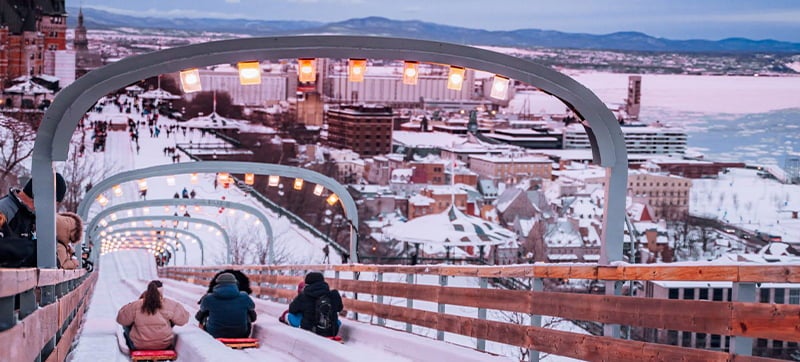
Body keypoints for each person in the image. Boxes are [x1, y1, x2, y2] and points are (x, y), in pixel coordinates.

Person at [0, 174, 67, 267]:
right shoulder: (5, 209)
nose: (51, 209)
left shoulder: (32, 217)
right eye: (52, 204)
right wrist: (33, 249)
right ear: (43, 198)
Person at [116, 280, 189, 351]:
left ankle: (131, 345)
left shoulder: (136, 304)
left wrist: (129, 307)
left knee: (127, 322)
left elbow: (120, 319)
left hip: (140, 345)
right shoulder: (170, 304)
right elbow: (183, 320)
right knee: (170, 319)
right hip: (163, 344)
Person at [195, 273, 257, 338]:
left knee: (205, 311)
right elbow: (253, 318)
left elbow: (198, 317)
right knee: (247, 310)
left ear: (218, 283)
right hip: (241, 334)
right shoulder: (244, 297)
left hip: (214, 333)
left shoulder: (209, 298)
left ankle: (202, 336)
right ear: (235, 283)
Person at [287, 272, 343, 337]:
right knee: (337, 321)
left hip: (310, 330)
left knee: (290, 316)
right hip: (332, 331)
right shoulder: (333, 294)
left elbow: (292, 309)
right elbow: (340, 308)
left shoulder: (303, 296)